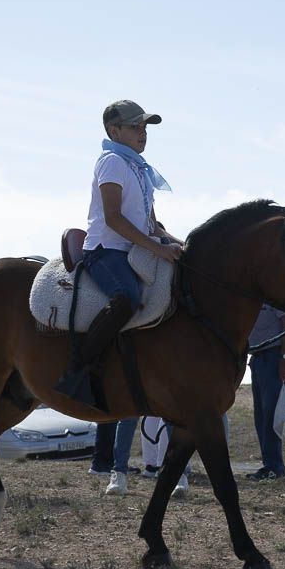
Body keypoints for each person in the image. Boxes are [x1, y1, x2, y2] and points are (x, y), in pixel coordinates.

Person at [54, 100, 182, 406]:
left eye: (145, 127)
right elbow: (113, 218)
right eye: (135, 127)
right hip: (105, 251)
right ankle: (79, 370)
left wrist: (178, 245)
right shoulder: (111, 161)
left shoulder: (138, 169)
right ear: (114, 130)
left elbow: (152, 224)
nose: (143, 133)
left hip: (132, 249)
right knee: (127, 298)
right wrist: (156, 249)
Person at [247, 304, 285, 481]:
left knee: (271, 414)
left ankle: (275, 467)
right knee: (261, 416)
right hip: (258, 357)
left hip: (275, 356)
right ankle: (270, 465)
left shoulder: (272, 296)